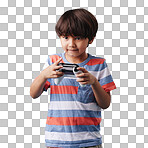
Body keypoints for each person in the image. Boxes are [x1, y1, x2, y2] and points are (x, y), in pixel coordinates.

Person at [30, 8, 116, 148]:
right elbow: (33, 94)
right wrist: (44, 75)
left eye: (78, 38)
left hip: (89, 140)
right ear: (60, 37)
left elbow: (105, 104)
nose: (71, 44)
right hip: (56, 140)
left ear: (91, 39)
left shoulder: (99, 65)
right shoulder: (53, 61)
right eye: (66, 37)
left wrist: (93, 82)